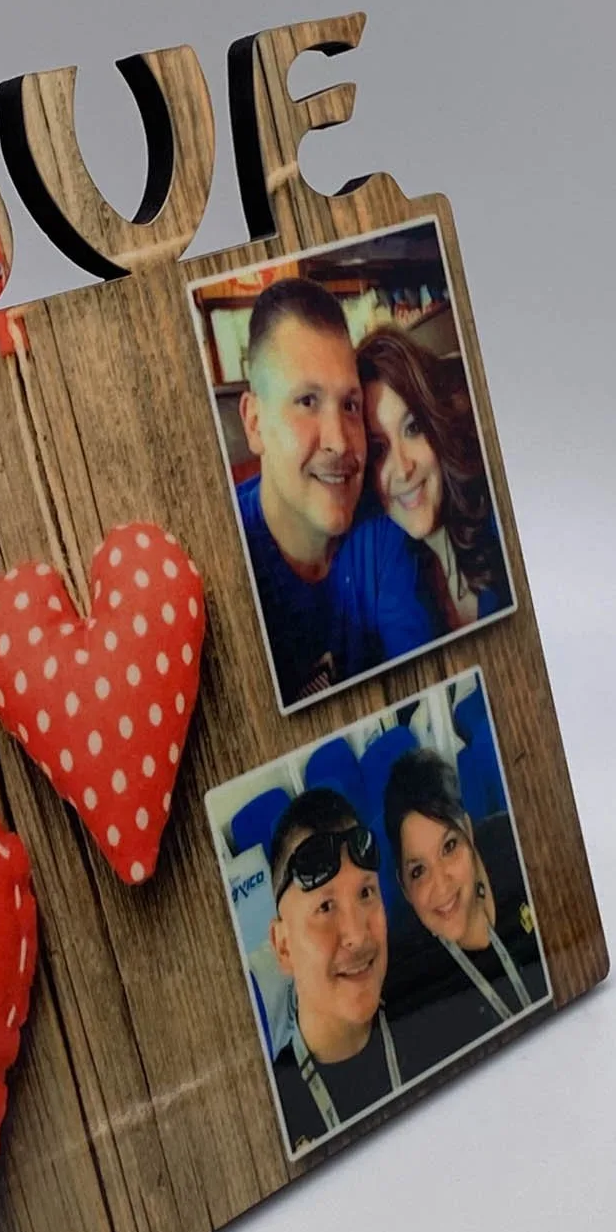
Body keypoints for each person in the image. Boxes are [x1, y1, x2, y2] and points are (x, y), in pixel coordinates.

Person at [236, 279, 437, 706]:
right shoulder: (230, 555)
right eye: (307, 401)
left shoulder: (382, 537)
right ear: (255, 423)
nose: (342, 442)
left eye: (349, 405)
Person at [381, 747, 545, 1070]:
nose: (440, 885)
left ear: (469, 832)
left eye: (449, 846)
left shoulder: (519, 844)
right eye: (418, 871)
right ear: (404, 888)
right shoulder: (411, 979)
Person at [266, 787, 409, 1151]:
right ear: (284, 947)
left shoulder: (435, 1012)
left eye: (366, 894)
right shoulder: (271, 1111)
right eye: (326, 907)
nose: (358, 935)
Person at [357, 325, 510, 632]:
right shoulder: (386, 566)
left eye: (412, 428)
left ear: (438, 427)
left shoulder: (503, 519)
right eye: (379, 449)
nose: (402, 469)